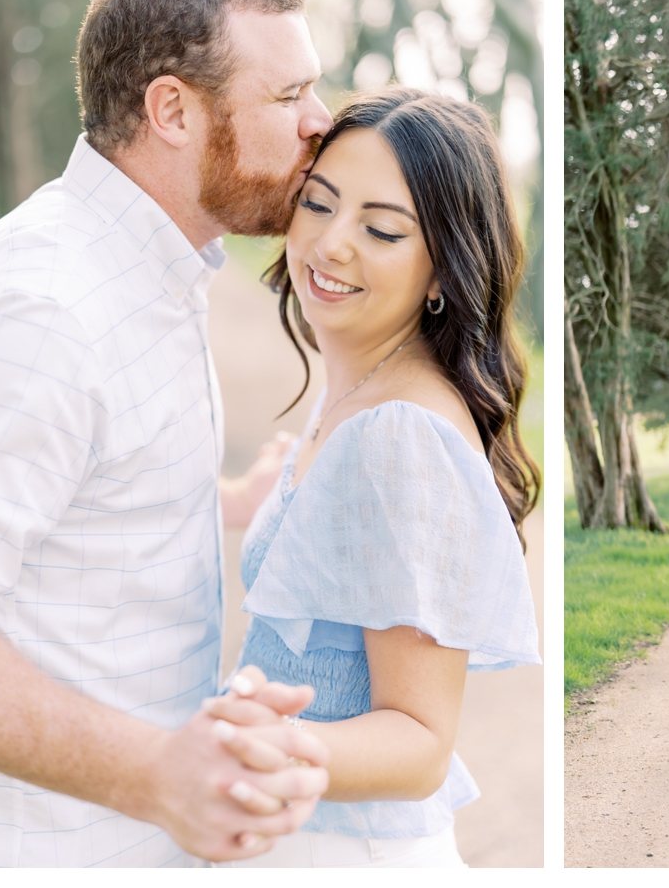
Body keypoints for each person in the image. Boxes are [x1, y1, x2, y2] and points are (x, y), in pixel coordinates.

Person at [0, 0, 338, 866]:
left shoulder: (150, 268)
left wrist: (212, 504)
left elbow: (70, 497)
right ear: (172, 110)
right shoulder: (41, 310)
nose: (320, 121)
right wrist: (155, 772)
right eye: (288, 97)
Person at [202, 87, 542, 868]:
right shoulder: (354, 389)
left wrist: (261, 741)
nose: (330, 245)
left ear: (441, 271)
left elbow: (420, 741)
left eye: (382, 228)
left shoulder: (401, 436)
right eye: (319, 204)